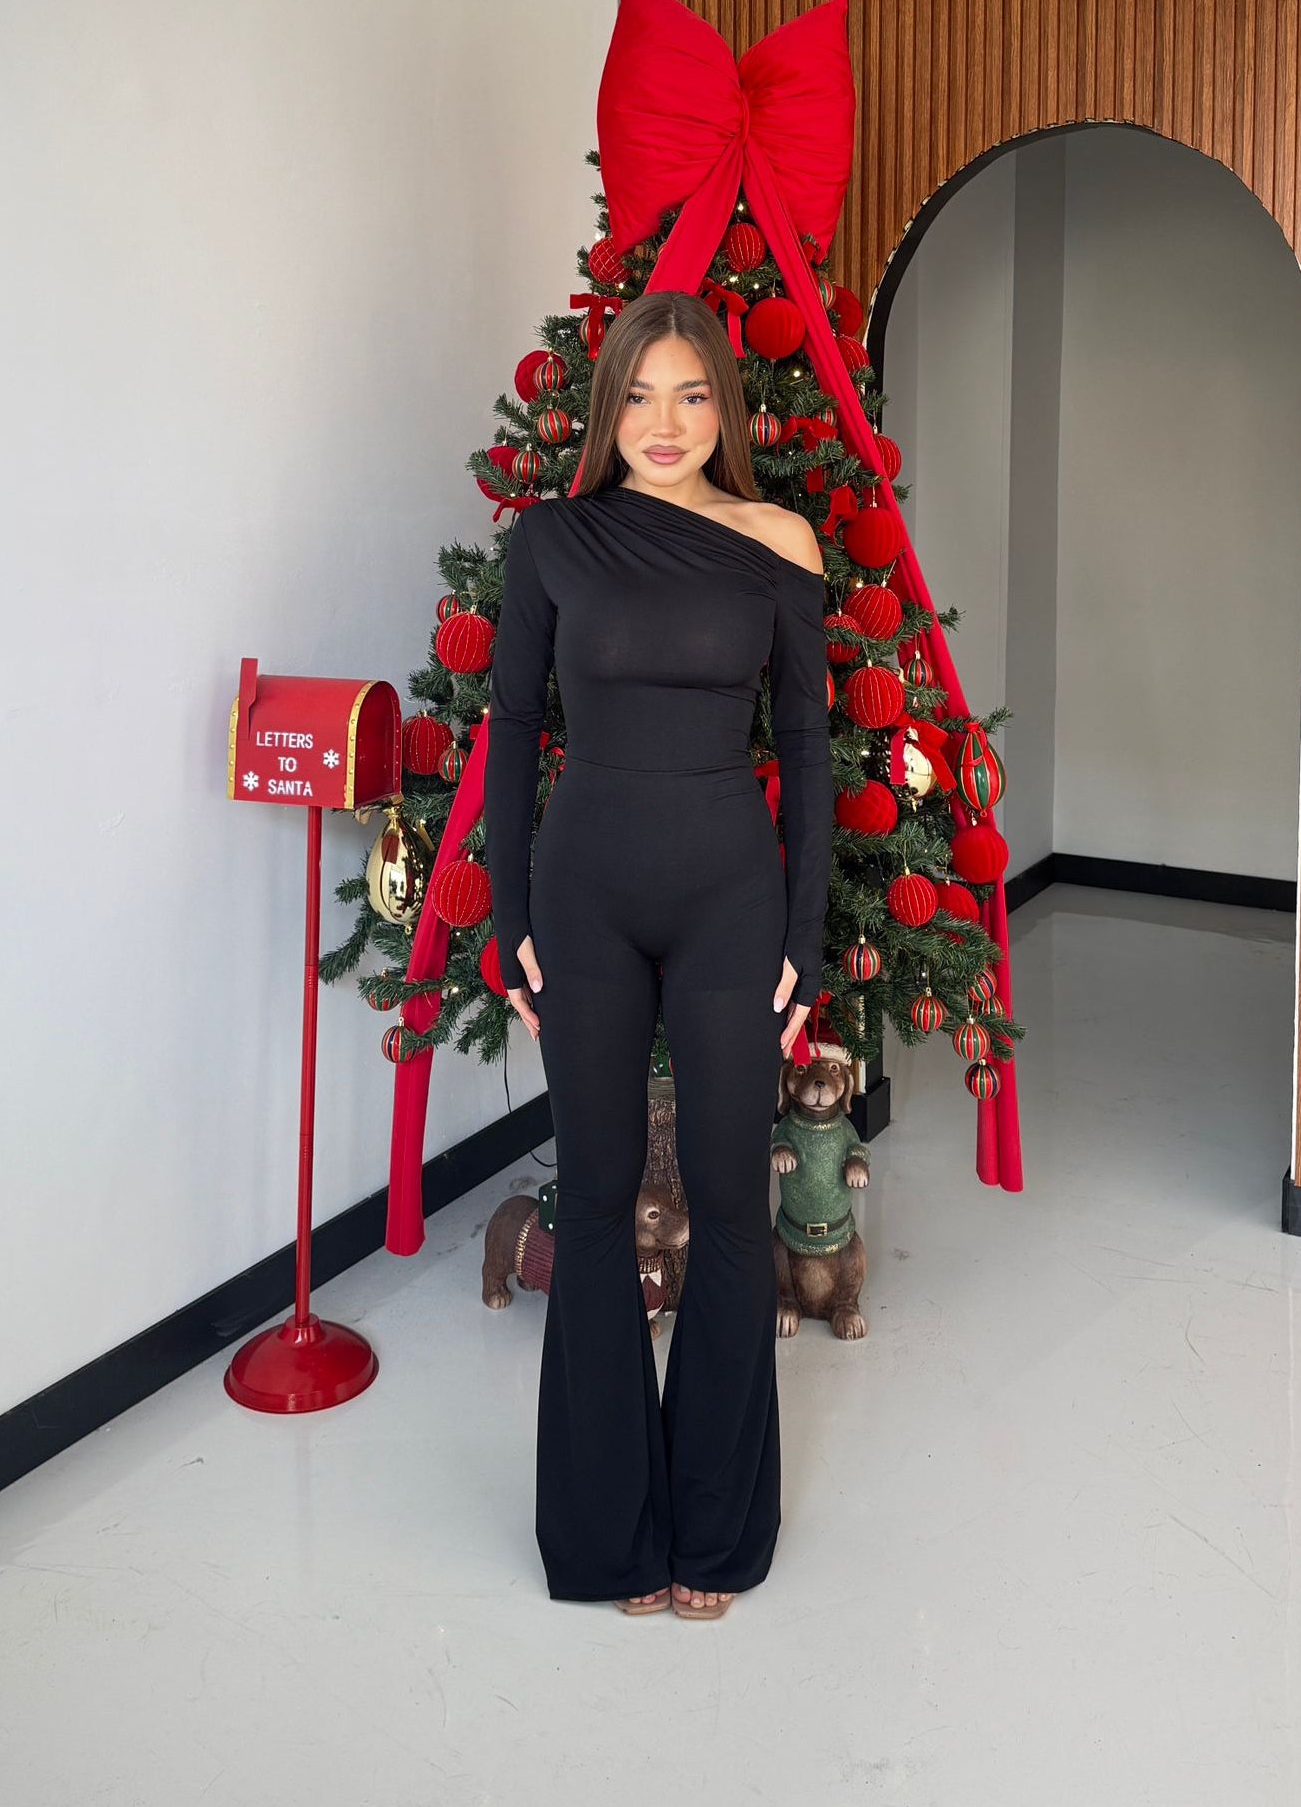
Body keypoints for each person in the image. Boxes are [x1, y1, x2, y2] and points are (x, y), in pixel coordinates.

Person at [483, 287, 833, 1619]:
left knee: (733, 1207)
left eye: (691, 394)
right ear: (606, 407)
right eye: (639, 395)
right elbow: (515, 728)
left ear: (722, 407)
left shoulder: (779, 541)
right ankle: (606, 1537)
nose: (665, 422)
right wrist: (510, 922)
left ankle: (716, 1534)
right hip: (584, 902)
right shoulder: (552, 542)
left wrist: (803, 932)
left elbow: (806, 746)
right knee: (594, 1193)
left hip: (732, 903)